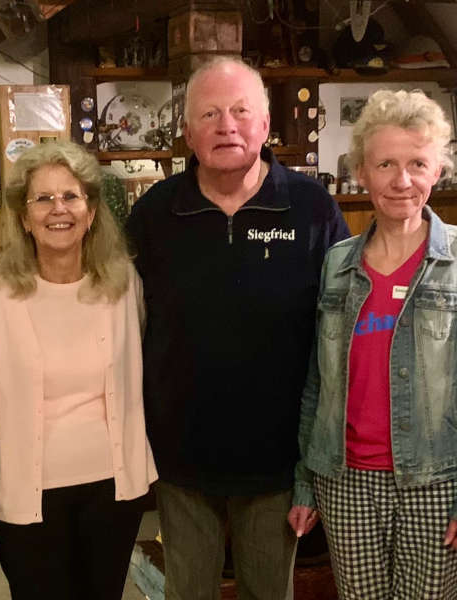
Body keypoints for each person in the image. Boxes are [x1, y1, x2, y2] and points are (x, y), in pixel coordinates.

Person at [126, 56, 350, 600]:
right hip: (181, 454)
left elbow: (340, 328)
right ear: (187, 132)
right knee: (188, 593)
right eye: (209, 114)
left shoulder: (312, 208)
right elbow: (126, 324)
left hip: (278, 458)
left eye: (240, 111)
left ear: (265, 125)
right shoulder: (155, 213)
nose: (226, 125)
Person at [290, 89, 457, 599]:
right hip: (344, 481)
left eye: (417, 163)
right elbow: (317, 384)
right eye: (385, 163)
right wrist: (305, 481)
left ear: (439, 170)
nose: (402, 180)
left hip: (435, 480)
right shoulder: (337, 263)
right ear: (361, 171)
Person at [0, 141, 157, 600]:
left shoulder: (123, 283)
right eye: (42, 199)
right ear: (24, 217)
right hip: (27, 494)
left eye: (71, 196)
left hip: (115, 488)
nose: (58, 210)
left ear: (91, 211)